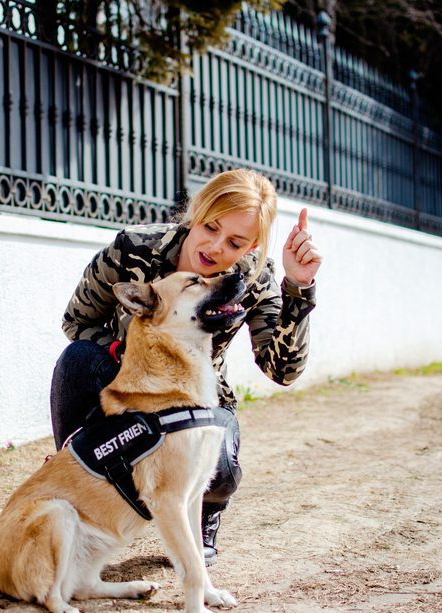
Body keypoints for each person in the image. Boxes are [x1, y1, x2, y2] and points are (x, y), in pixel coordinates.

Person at [49, 168, 321, 565]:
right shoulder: (134, 247)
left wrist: (298, 288)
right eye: (210, 226)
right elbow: (76, 321)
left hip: (197, 399)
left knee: (221, 468)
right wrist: (133, 358)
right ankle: (76, 484)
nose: (215, 246)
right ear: (197, 210)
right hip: (127, 387)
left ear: (254, 245)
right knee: (77, 360)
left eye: (235, 242)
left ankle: (204, 517)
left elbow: (282, 369)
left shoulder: (255, 279)